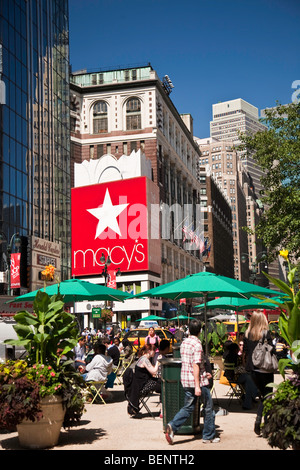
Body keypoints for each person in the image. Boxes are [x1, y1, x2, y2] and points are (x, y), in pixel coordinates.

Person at [165, 319, 220, 445]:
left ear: (189, 330)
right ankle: (208, 436)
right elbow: (195, 365)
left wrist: (203, 373)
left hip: (186, 380)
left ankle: (173, 425)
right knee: (208, 408)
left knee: (188, 408)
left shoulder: (184, 343)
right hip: (198, 382)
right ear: (200, 331)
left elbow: (191, 364)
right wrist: (197, 385)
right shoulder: (197, 345)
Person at [243, 311, 276, 435]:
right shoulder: (266, 333)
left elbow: (246, 351)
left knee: (263, 396)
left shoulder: (247, 334)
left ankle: (258, 421)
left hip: (253, 370)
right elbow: (272, 349)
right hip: (265, 369)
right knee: (268, 397)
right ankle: (264, 424)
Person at [126, 344, 161, 416]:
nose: (155, 352)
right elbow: (154, 371)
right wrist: (158, 361)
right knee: (164, 387)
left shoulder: (142, 358)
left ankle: (163, 410)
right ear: (149, 351)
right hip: (143, 385)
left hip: (141, 384)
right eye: (154, 350)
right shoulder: (144, 360)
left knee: (161, 383)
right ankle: (163, 410)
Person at [223, 341, 258, 410]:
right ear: (236, 349)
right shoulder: (236, 357)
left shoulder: (226, 357)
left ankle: (247, 398)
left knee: (248, 381)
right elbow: (242, 367)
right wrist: (243, 358)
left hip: (230, 377)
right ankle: (250, 398)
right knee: (250, 378)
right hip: (236, 377)